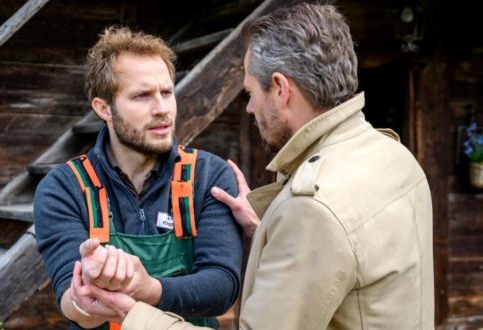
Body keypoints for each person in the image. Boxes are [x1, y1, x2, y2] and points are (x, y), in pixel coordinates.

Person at [72, 4, 435, 329]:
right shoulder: (393, 155)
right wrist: (268, 229)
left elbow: (321, 229)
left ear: (280, 88)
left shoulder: (311, 210)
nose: (248, 109)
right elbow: (355, 260)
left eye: (250, 93)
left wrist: (133, 313)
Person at [33, 26, 243, 330]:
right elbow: (70, 299)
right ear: (103, 108)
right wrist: (86, 298)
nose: (162, 110)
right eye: (142, 95)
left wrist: (146, 288)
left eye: (167, 92)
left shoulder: (208, 175)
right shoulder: (64, 187)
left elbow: (222, 286)